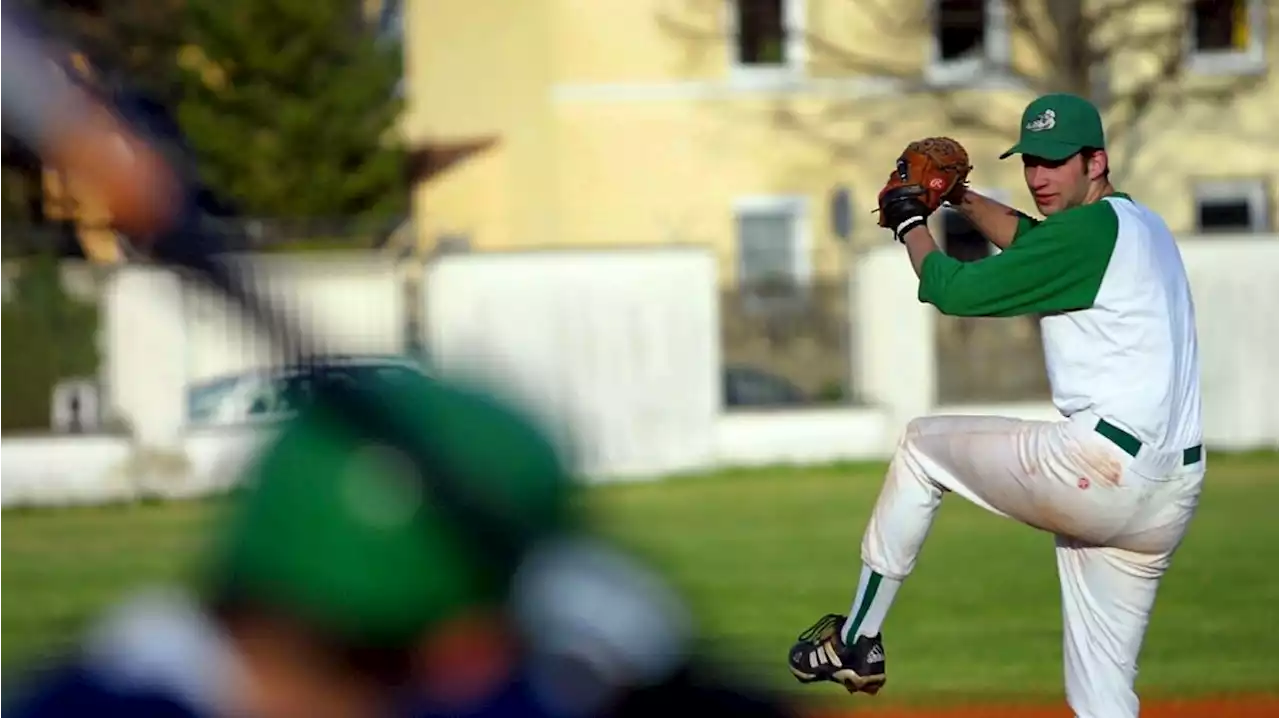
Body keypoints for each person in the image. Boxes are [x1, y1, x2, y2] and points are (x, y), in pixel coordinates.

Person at [786, 92, 1205, 718]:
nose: (1039, 176)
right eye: (1032, 160)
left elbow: (953, 289)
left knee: (923, 447)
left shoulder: (1088, 232)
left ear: (1097, 161)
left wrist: (910, 227)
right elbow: (1036, 242)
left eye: (1056, 162)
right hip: (1170, 494)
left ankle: (858, 640)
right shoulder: (1137, 224)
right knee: (1101, 697)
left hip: (1100, 470)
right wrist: (958, 198)